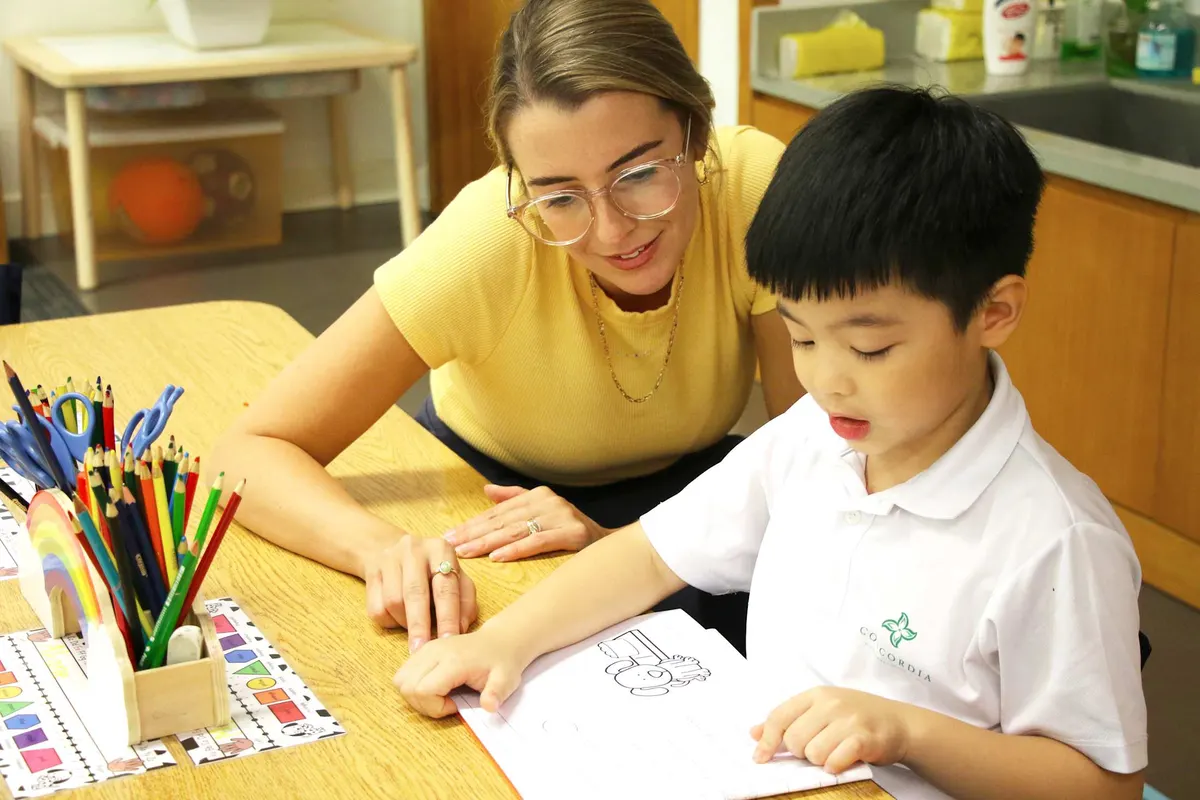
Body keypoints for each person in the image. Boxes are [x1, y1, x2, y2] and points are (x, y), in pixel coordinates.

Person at [393, 87, 1148, 800]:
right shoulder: (808, 441)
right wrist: (506, 644)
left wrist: (909, 733)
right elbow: (650, 553)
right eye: (801, 337)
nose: (828, 383)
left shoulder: (1056, 540)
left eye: (872, 350)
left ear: (994, 312)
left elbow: (1101, 783)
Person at [209, 0, 802, 653]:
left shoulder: (755, 188)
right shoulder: (487, 240)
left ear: (695, 128)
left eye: (637, 174)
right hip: (494, 507)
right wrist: (380, 549)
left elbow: (816, 459)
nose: (610, 232)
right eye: (560, 197)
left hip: (688, 497)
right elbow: (246, 452)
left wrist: (611, 544)